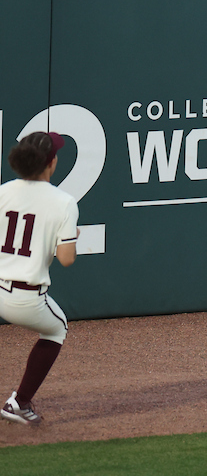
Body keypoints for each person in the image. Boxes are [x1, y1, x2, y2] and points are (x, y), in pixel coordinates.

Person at [0, 132, 79, 426]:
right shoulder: (64, 202)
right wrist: (67, 239)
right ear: (51, 162)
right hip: (25, 298)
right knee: (57, 329)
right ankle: (19, 403)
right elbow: (67, 259)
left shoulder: (3, 191)